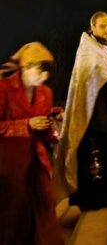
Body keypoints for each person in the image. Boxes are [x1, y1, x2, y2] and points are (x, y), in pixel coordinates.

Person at [54, 11, 107, 210]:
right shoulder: (87, 49)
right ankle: (92, 200)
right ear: (93, 27)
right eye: (104, 26)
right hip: (92, 117)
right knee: (94, 159)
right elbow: (93, 72)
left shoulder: (105, 49)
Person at [0, 42, 64, 244]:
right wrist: (26, 124)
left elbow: (42, 127)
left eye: (46, 75)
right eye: (39, 71)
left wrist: (51, 127)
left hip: (37, 159)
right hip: (9, 162)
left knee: (44, 203)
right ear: (25, 67)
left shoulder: (45, 93)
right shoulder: (4, 88)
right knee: (15, 211)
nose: (43, 78)